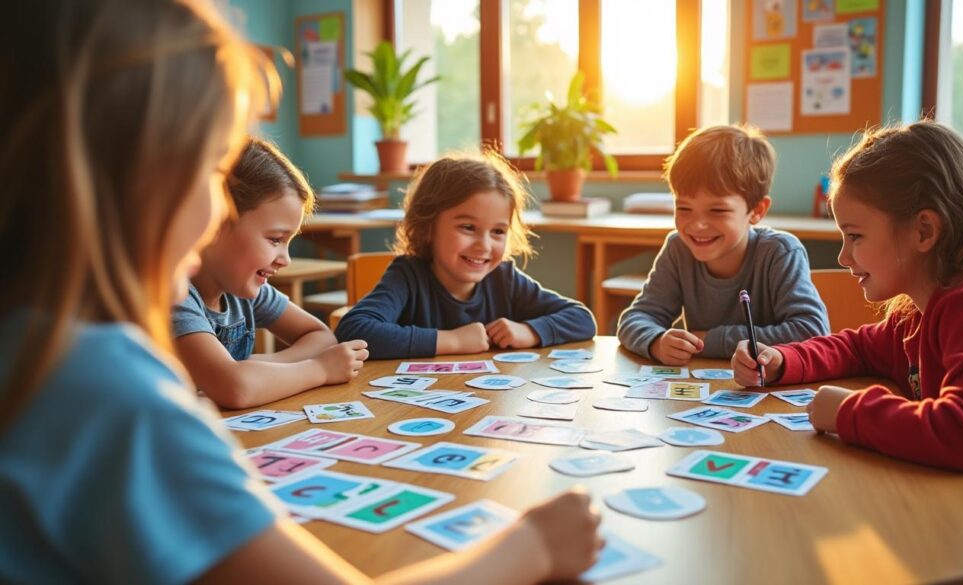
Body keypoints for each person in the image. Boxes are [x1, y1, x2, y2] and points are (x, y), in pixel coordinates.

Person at [0, 1, 603, 582]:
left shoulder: (35, 342)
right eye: (214, 167)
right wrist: (531, 547)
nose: (217, 208)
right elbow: (338, 339)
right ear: (133, 174)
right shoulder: (103, 387)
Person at [731, 121, 963, 515]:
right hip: (959, 504)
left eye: (855, 236)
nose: (843, 257)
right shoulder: (918, 309)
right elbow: (858, 347)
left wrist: (848, 411)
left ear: (924, 231)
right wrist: (783, 359)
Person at [336, 152, 597, 359]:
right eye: (468, 228)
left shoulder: (504, 278)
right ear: (428, 227)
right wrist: (453, 340)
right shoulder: (408, 275)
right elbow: (353, 331)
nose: (483, 245)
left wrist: (529, 331)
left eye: (497, 231)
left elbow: (582, 319)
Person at [173, 137, 368, 409]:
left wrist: (256, 366)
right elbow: (237, 388)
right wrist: (319, 369)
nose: (285, 259)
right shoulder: (176, 297)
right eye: (275, 239)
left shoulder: (244, 291)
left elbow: (321, 337)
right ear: (216, 224)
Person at [617, 125, 830, 363]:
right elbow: (635, 318)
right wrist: (655, 341)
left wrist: (709, 341)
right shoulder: (678, 248)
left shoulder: (780, 252)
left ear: (757, 210)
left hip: (766, 391)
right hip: (701, 388)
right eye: (684, 208)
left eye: (717, 210)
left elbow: (812, 331)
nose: (697, 225)